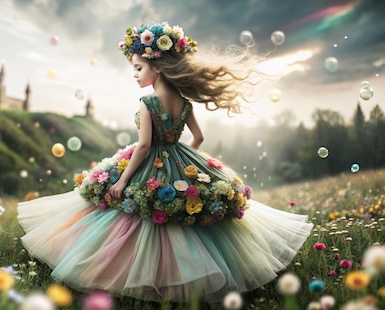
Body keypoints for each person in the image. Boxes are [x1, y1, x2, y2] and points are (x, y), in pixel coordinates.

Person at [17, 22, 313, 303]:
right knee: (178, 214)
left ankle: (138, 274)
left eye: (138, 68)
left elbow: (144, 145)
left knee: (137, 212)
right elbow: (198, 136)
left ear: (157, 68)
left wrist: (123, 179)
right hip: (181, 157)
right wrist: (185, 159)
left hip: (149, 158)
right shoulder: (184, 101)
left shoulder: (148, 103)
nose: (134, 74)